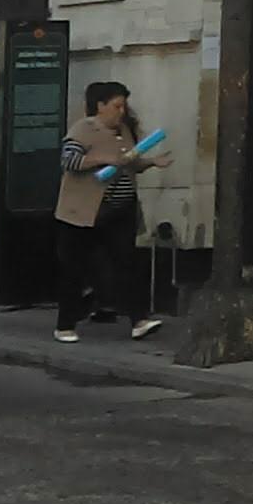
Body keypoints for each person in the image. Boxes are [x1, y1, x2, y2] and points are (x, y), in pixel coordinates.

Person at [53, 80, 168, 342]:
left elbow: (129, 163)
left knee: (126, 262)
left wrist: (151, 162)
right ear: (100, 106)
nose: (121, 111)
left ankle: (139, 319)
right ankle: (65, 324)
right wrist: (104, 159)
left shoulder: (125, 131)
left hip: (120, 210)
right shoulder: (84, 129)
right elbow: (69, 160)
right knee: (74, 267)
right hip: (85, 212)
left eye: (124, 106)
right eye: (116, 106)